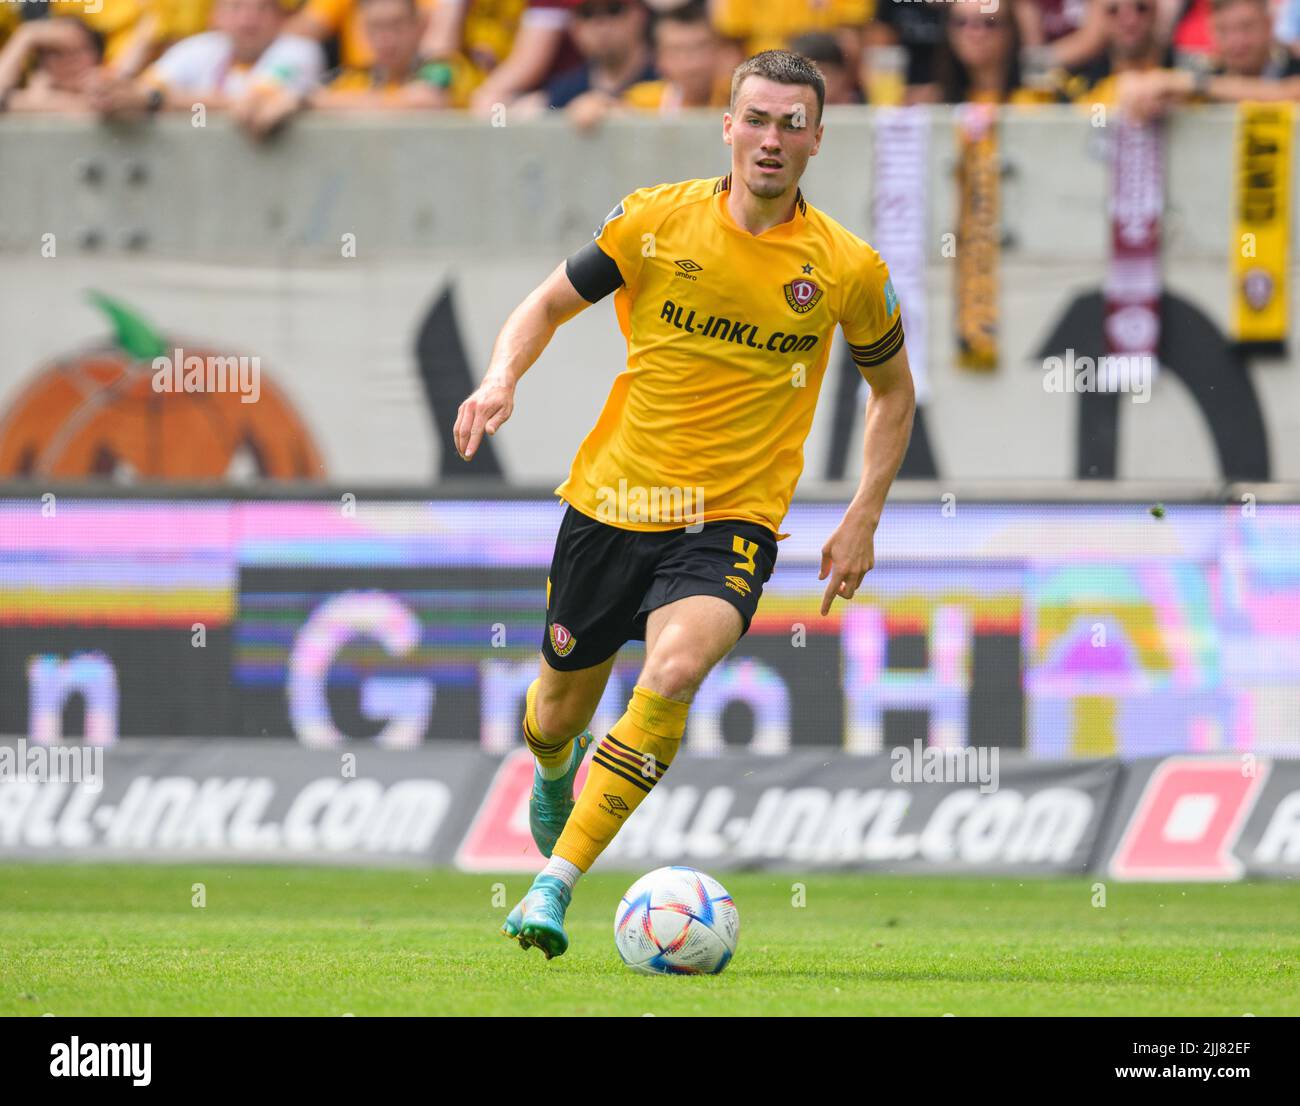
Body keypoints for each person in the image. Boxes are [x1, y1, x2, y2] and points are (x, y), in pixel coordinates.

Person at [453, 49, 915, 959]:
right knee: (555, 714)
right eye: (757, 118)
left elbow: (893, 393)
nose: (772, 139)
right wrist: (501, 375)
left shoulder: (847, 269)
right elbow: (546, 304)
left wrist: (863, 512)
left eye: (792, 123)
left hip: (730, 522)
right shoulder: (657, 222)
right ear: (728, 126)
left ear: (818, 138)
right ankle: (553, 766)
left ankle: (555, 884)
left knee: (671, 674)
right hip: (610, 505)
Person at [86, 0, 324, 138]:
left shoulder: (298, 50)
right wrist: (114, 92)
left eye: (262, 9)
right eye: (235, 6)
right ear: (215, 16)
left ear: (281, 18)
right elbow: (142, 90)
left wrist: (155, 101)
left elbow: (252, 105)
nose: (248, 20)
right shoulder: (201, 47)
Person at [1118, 0, 1300, 116]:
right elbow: (1143, 92)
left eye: (1247, 27)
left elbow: (1286, 94)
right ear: (1211, 32)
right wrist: (1149, 97)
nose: (1237, 41)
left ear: (1269, 25)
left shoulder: (1293, 63)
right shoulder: (1208, 71)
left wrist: (1195, 84)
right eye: (1224, 30)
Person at [312, 0, 454, 108]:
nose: (386, 38)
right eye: (376, 27)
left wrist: (324, 102)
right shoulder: (353, 78)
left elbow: (426, 99)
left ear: (418, 26)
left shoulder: (441, 68)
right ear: (364, 31)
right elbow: (312, 95)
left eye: (396, 25)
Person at [0, 18, 103, 112]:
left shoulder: (110, 94)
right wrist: (27, 35)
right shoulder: (28, 97)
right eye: (58, 52)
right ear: (43, 62)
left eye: (80, 49)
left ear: (97, 54)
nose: (70, 60)